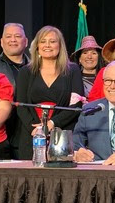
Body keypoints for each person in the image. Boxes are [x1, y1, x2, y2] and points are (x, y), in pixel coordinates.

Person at [15, 26, 84, 160]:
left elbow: (76, 106)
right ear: (37, 46)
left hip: (62, 135)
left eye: (52, 41)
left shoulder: (73, 70)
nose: (47, 45)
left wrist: (52, 123)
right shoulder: (25, 72)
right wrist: (36, 130)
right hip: (32, 135)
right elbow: (21, 106)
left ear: (60, 45)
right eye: (43, 41)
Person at [0, 23, 30, 158]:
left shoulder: (35, 66)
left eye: (17, 36)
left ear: (26, 41)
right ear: (1, 42)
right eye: (8, 36)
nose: (13, 40)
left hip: (26, 131)